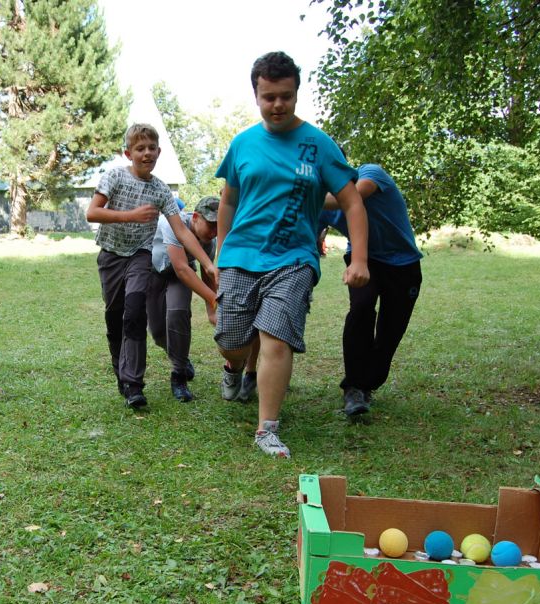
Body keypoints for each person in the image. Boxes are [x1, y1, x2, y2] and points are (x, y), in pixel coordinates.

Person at [214, 52, 370, 458]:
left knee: (276, 339)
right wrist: (220, 250)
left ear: (297, 94)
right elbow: (227, 202)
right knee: (232, 338)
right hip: (241, 255)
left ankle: (267, 429)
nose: (277, 104)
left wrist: (360, 259)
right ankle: (234, 367)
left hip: (294, 258)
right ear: (256, 95)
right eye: (269, 97)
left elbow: (353, 203)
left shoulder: (318, 145)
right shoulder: (243, 144)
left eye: (286, 96)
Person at [86, 123, 218, 409]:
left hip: (140, 255)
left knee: (134, 312)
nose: (147, 153)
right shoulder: (114, 177)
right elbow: (92, 212)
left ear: (159, 151)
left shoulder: (160, 190)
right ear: (128, 153)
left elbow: (182, 232)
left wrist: (208, 264)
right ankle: (120, 369)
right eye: (140, 148)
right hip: (110, 255)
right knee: (115, 316)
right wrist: (131, 215)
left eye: (151, 148)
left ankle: (134, 384)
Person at [319, 160, 422, 416]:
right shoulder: (322, 202)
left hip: (403, 263)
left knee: (391, 330)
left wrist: (304, 195)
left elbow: (354, 196)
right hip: (363, 260)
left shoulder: (371, 174)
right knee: (362, 307)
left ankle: (368, 383)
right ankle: (354, 387)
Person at [146, 195, 220, 402]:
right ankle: (180, 357)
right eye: (211, 225)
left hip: (179, 279)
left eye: (218, 226)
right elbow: (181, 268)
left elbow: (207, 273)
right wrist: (215, 300)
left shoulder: (209, 241)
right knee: (158, 331)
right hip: (154, 274)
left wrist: (211, 310)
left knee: (177, 314)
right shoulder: (173, 222)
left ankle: (179, 375)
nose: (214, 231)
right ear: (196, 217)